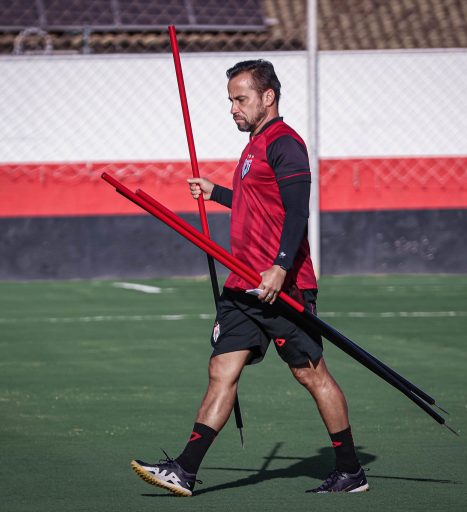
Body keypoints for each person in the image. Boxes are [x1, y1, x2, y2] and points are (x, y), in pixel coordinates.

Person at [130, 59, 368, 496]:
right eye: (230, 100)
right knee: (222, 369)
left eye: (240, 99)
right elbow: (254, 203)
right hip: (243, 284)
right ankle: (185, 469)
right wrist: (216, 192)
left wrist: (280, 265)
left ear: (268, 97)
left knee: (311, 374)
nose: (233, 109)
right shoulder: (253, 146)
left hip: (283, 284)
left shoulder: (285, 144)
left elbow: (297, 211)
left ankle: (350, 470)